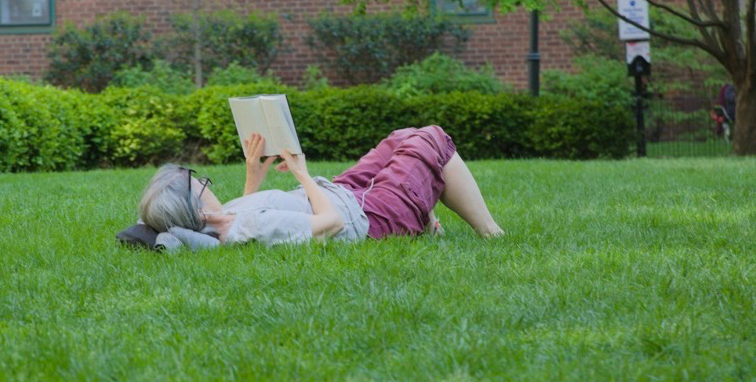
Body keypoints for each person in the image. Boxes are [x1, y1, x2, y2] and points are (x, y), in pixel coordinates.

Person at [138, 125, 503, 249]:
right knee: (431, 139)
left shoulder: (222, 221)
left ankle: (424, 218)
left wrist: (254, 174)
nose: (205, 181)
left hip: (346, 194)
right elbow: (331, 225)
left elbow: (255, 211)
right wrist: (302, 174)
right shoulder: (247, 228)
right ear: (196, 209)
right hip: (368, 216)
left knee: (401, 139)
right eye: (200, 184)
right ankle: (491, 233)